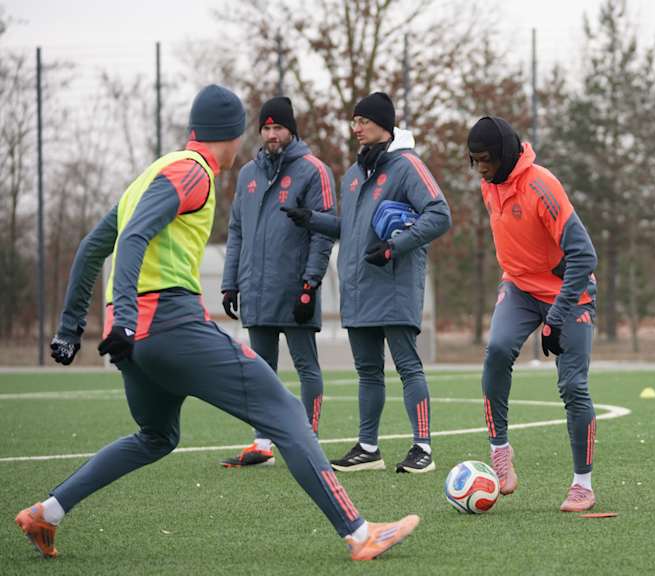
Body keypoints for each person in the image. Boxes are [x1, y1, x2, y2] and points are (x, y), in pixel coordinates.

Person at [19, 85, 418, 561]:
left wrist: (71, 329)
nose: (245, 144)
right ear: (228, 137)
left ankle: (48, 512)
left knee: (157, 436)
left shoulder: (151, 173)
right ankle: (359, 534)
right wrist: (124, 318)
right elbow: (135, 239)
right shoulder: (195, 173)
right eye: (244, 134)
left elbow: (90, 249)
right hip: (166, 325)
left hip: (135, 340)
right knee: (286, 411)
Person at [283, 92, 451, 474]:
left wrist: (395, 247)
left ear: (385, 126)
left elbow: (439, 214)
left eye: (363, 121)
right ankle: (368, 447)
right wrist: (312, 218)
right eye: (354, 121)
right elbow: (352, 228)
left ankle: (422, 447)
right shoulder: (354, 175)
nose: (356, 128)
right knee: (368, 371)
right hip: (358, 286)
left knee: (408, 366)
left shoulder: (408, 165)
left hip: (393, 283)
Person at [466, 116, 599, 512]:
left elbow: (584, 255)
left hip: (568, 294)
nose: (481, 168)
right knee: (498, 349)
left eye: (486, 159)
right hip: (520, 287)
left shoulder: (542, 185)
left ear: (505, 154)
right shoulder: (489, 186)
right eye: (474, 161)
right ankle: (500, 449)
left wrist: (556, 317)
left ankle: (582, 484)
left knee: (572, 386)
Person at [219, 96, 335, 468]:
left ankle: (309, 439)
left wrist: (310, 284)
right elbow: (236, 230)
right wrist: (230, 282)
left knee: (306, 367)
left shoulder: (313, 170)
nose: (271, 134)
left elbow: (323, 232)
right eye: (266, 128)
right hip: (256, 290)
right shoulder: (248, 174)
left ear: (291, 130)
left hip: (294, 289)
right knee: (260, 370)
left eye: (278, 127)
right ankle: (263, 443)